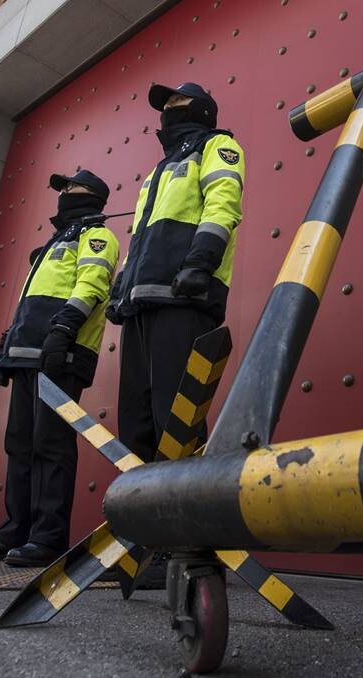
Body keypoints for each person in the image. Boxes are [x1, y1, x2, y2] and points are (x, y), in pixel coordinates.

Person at [0, 169, 119, 567]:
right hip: (28, 354)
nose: (64, 193)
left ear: (92, 195)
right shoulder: (53, 244)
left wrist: (65, 327)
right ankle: (14, 531)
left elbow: (93, 284)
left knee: (50, 445)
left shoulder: (95, 236)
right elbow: (27, 304)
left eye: (71, 187)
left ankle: (48, 537)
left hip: (62, 354)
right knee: (19, 443)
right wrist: (7, 344)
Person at [106, 82, 245, 462]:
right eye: (165, 104)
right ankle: (142, 516)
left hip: (184, 297)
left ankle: (184, 516)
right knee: (135, 422)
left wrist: (200, 263)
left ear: (201, 109)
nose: (167, 108)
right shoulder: (157, 173)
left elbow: (223, 205)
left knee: (177, 419)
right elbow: (141, 239)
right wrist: (121, 289)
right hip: (141, 304)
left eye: (176, 101)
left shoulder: (217, 147)